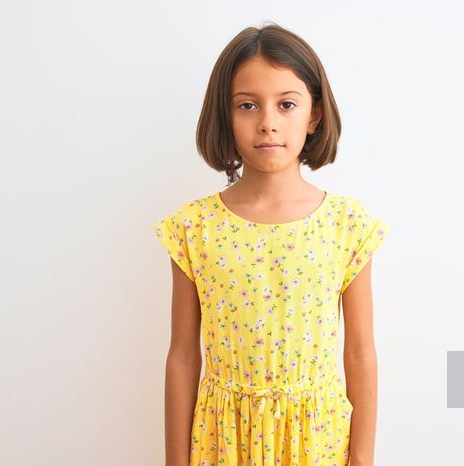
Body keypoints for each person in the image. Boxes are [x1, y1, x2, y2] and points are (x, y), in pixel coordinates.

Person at [153, 23, 390, 466]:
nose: (267, 122)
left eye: (286, 104)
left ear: (314, 114)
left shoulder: (347, 226)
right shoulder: (193, 228)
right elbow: (183, 356)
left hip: (316, 442)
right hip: (222, 442)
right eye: (247, 105)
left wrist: (362, 458)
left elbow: (359, 351)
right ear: (226, 115)